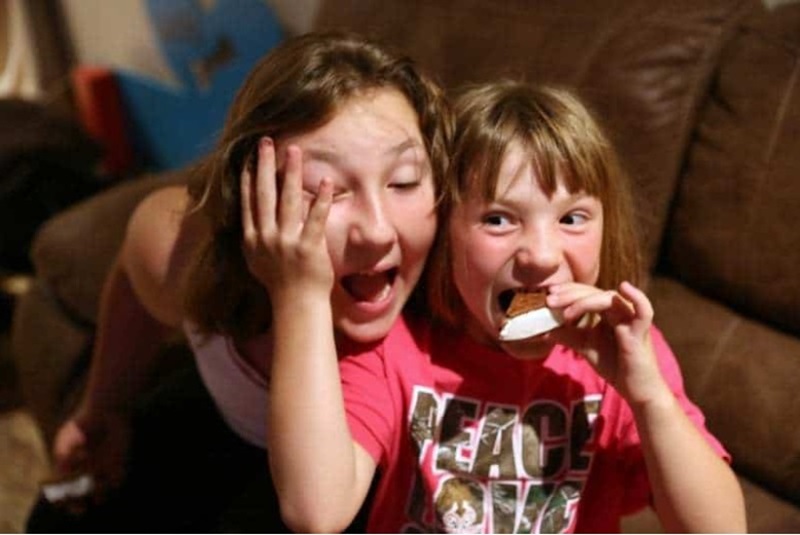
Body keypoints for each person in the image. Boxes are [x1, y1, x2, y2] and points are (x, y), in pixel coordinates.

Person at [265, 82, 747, 533]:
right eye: (498, 220)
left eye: (572, 219)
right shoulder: (396, 350)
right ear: (444, 235)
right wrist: (298, 293)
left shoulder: (631, 358)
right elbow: (314, 513)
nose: (540, 255)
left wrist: (648, 397)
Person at [26, 31, 452, 532]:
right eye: (324, 192)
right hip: (230, 433)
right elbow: (132, 273)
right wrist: (104, 404)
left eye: (403, 181)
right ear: (248, 198)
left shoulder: (452, 302)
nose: (378, 229)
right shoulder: (184, 248)